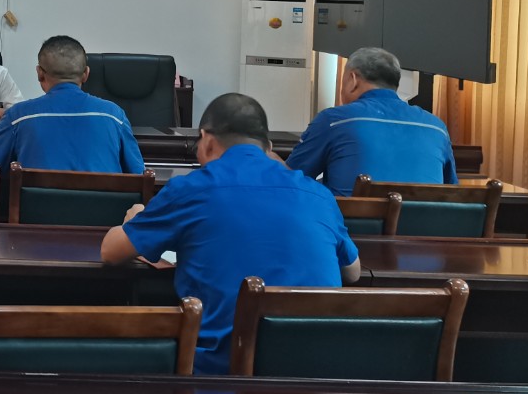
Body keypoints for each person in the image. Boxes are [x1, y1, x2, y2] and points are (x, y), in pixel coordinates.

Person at [102, 92, 361, 375]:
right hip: (315, 375)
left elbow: (111, 252)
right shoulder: (319, 195)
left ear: (207, 140)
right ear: (268, 148)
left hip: (218, 376)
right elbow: (353, 272)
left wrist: (136, 219)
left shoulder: (190, 189)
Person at [284, 46, 456, 196]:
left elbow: (289, 179)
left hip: (349, 224)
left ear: (352, 79)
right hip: (425, 224)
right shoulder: (437, 127)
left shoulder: (334, 121)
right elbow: (451, 190)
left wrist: (270, 158)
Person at [0, 35, 145, 173]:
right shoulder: (115, 116)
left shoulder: (18, 116)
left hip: (35, 209)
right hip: (105, 209)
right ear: (86, 74)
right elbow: (139, 176)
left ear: (39, 73)